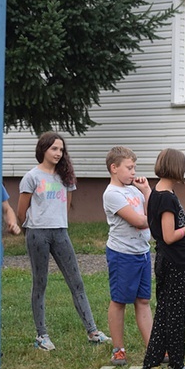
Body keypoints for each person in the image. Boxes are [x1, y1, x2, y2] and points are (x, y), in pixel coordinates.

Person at [17, 132, 110, 351]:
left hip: (61, 234)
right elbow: (22, 211)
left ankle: (93, 331)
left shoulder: (65, 177)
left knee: (76, 281)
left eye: (61, 149)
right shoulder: (31, 177)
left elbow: (66, 206)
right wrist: (32, 228)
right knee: (40, 283)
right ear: (43, 150)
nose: (58, 153)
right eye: (54, 149)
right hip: (37, 234)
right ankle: (42, 335)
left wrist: (58, 222)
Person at [142, 148, 185, 369]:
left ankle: (175, 363)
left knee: (170, 312)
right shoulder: (167, 197)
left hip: (167, 262)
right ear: (177, 168)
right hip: (175, 263)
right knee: (173, 314)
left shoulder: (157, 193)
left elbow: (164, 225)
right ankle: (157, 364)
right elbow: (169, 236)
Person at [103, 146, 154, 366]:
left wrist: (146, 191)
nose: (134, 172)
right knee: (120, 300)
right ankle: (118, 349)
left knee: (143, 300)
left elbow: (152, 209)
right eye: (129, 168)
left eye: (134, 167)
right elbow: (141, 220)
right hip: (122, 255)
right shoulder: (112, 194)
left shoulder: (134, 190)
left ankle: (153, 347)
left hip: (142, 252)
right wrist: (157, 217)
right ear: (114, 168)